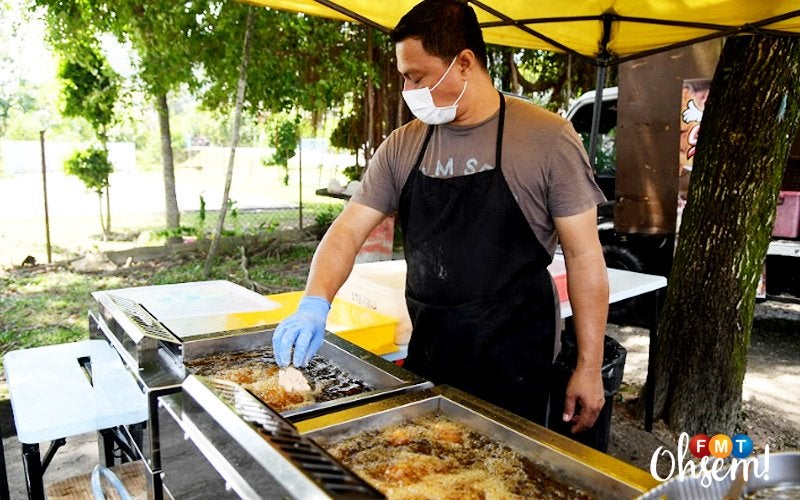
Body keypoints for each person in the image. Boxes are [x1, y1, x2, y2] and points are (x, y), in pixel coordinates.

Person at [273, 0, 609, 434]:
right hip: (430, 350)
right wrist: (314, 303)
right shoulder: (403, 145)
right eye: (404, 78)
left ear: (464, 63)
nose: (409, 90)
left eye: (418, 77)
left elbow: (585, 258)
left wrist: (589, 365)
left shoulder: (546, 138)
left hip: (517, 361)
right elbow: (348, 231)